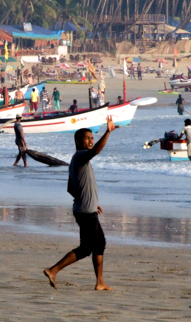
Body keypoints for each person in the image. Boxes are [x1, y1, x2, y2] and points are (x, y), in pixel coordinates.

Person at [43, 116, 116, 291]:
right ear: (78, 141)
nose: (91, 141)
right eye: (87, 138)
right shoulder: (81, 156)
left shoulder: (78, 160)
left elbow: (71, 188)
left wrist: (89, 200)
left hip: (86, 208)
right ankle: (53, 270)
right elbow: (96, 151)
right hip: (85, 211)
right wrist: (108, 131)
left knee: (100, 244)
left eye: (92, 138)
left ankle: (100, 282)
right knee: (86, 248)